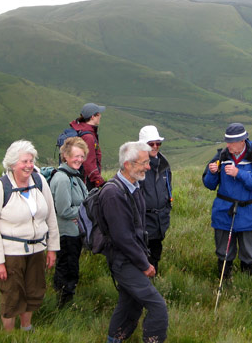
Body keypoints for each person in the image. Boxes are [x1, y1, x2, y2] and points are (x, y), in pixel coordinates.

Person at [0, 140, 59, 332]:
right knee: (11, 293)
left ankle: (27, 327)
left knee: (34, 290)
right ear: (12, 164)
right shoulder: (0, 188)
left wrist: (52, 248)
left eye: (31, 161)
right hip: (11, 252)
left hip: (37, 249)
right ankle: (9, 334)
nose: (29, 166)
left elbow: (51, 216)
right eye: (24, 161)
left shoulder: (40, 182)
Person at [101, 141, 168, 343]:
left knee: (129, 303)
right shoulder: (113, 193)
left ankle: (115, 339)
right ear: (128, 164)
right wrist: (143, 264)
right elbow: (123, 237)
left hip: (131, 258)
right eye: (144, 163)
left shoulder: (133, 186)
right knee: (157, 305)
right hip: (124, 261)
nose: (148, 167)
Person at [202, 122, 252, 278]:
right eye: (227, 142)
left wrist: (239, 173)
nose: (229, 146)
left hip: (249, 213)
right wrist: (212, 173)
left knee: (249, 252)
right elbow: (209, 185)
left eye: (232, 142)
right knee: (224, 252)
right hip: (224, 212)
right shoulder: (222, 156)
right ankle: (225, 282)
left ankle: (246, 285)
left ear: (242, 141)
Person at [49, 136, 89, 307]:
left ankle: (63, 300)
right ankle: (63, 305)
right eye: (76, 156)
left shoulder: (75, 177)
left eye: (82, 156)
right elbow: (64, 210)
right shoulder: (63, 179)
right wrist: (85, 212)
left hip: (74, 231)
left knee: (70, 267)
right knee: (67, 269)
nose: (79, 160)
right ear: (65, 156)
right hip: (66, 233)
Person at [138, 125, 173, 274]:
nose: (155, 147)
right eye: (151, 144)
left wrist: (166, 210)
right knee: (142, 257)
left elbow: (168, 188)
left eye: (158, 143)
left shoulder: (164, 165)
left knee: (156, 253)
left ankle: (153, 284)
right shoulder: (136, 166)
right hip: (143, 221)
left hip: (160, 221)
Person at [69, 102, 106, 190]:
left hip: (82, 178)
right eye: (98, 114)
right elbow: (89, 163)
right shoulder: (88, 137)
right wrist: (100, 182)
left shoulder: (81, 130)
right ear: (93, 117)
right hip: (87, 181)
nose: (100, 116)